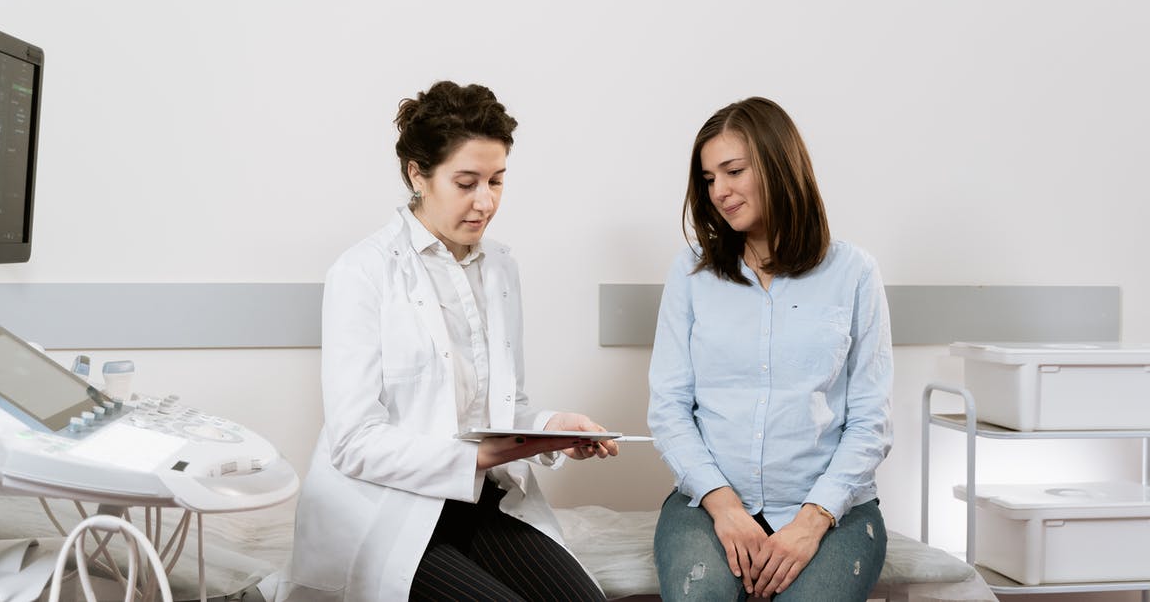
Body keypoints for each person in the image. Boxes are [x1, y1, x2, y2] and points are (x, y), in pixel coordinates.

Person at [278, 80, 616, 602]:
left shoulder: (501, 267)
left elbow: (504, 407)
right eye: (467, 182)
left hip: (478, 502)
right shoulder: (363, 273)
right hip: (388, 512)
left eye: (497, 181)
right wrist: (478, 458)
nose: (486, 202)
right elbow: (353, 443)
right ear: (418, 174)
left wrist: (552, 428)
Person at [648, 97, 892, 601]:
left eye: (733, 171)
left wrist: (812, 520)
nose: (719, 191)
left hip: (829, 509)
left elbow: (871, 420)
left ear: (779, 165)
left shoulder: (855, 273)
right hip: (709, 503)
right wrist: (725, 507)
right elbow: (669, 408)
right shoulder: (690, 274)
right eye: (709, 178)